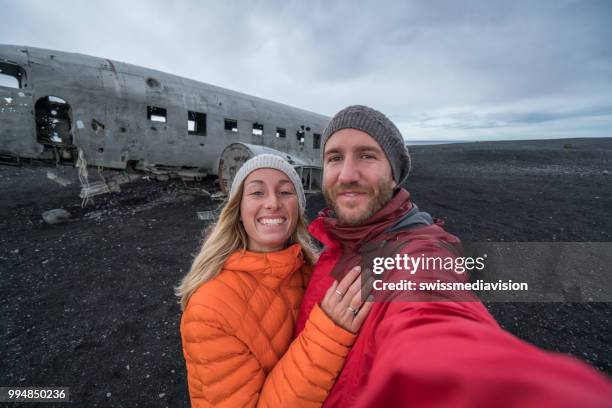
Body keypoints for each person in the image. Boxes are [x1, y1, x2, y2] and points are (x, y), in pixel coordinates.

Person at [294, 105, 612, 407]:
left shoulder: (421, 252)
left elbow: (431, 313)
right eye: (335, 158)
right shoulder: (331, 244)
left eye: (367, 156)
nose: (347, 174)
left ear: (394, 175)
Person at [176, 154, 373, 407]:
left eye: (285, 192)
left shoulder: (310, 273)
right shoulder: (210, 308)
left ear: (297, 210)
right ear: (238, 210)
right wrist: (328, 336)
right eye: (257, 192)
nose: (272, 203)